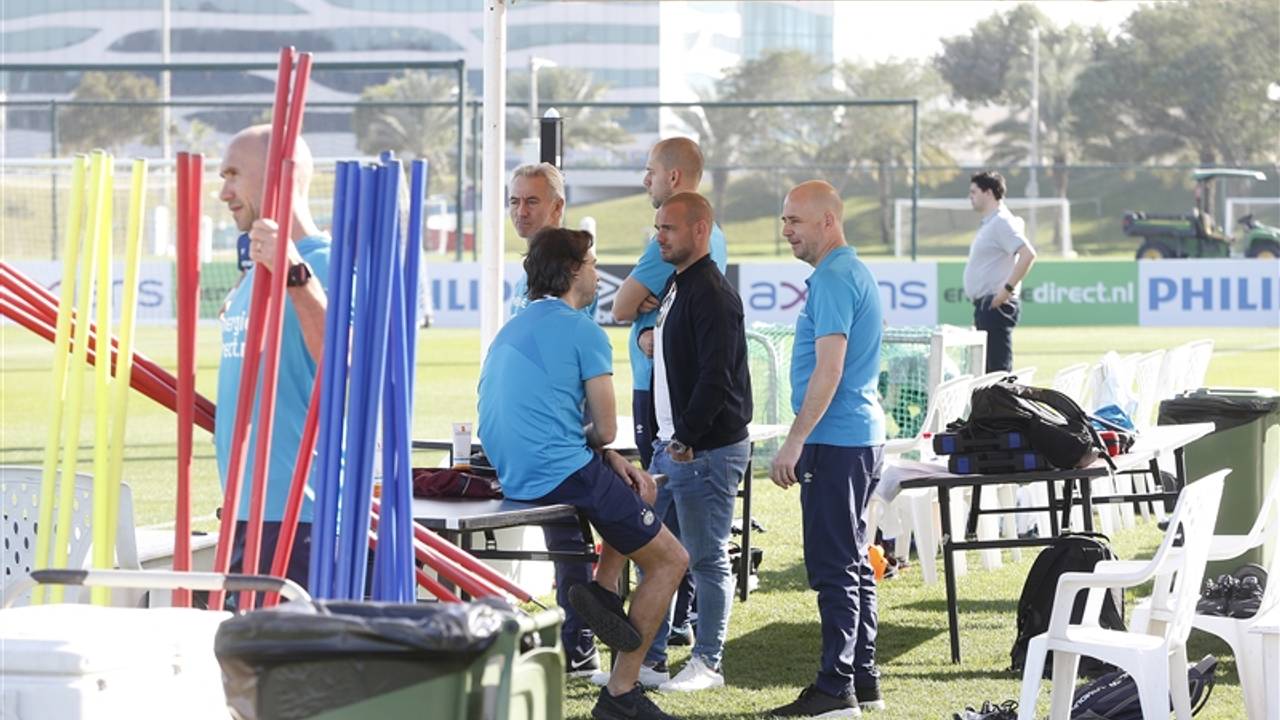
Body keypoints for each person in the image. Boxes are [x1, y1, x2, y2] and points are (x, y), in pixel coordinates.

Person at [478, 227, 689, 720]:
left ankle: (602, 586)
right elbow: (608, 425)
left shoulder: (515, 323)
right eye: (593, 262)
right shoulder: (582, 330)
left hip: (516, 471)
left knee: (635, 486)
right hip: (558, 469)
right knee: (670, 561)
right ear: (574, 270)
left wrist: (607, 457)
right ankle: (621, 692)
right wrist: (606, 451)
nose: (598, 272)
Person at [769, 181, 886, 717]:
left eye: (795, 220)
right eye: (784, 220)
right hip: (855, 438)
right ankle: (863, 681)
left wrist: (795, 440)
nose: (786, 230)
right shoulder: (848, 272)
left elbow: (830, 368)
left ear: (828, 222)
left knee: (835, 566)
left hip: (836, 440)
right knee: (854, 561)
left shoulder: (836, 277)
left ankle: (834, 689)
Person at [612, 137, 727, 653]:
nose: (645, 180)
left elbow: (620, 305)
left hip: (673, 413)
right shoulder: (693, 250)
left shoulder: (690, 255)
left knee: (677, 540)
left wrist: (643, 316)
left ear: (675, 178)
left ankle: (693, 652)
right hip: (668, 409)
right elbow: (647, 315)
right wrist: (649, 322)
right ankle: (658, 644)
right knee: (668, 534)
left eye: (650, 170)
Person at [644, 192, 752, 692]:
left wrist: (684, 438)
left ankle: (708, 663)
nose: (659, 235)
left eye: (669, 227)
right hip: (673, 447)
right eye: (658, 227)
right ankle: (650, 659)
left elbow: (717, 378)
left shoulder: (712, 293)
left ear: (700, 231)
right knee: (655, 554)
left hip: (702, 450)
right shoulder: (677, 284)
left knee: (707, 559)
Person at [215, 125, 329, 590]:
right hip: (246, 509)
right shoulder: (251, 276)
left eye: (233, 175)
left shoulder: (325, 263)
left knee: (286, 663)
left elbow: (349, 372)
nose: (222, 192)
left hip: (300, 516)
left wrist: (293, 276)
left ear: (276, 178)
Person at [504, 162, 602, 678]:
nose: (522, 211)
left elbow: (580, 368)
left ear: (558, 207)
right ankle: (565, 636)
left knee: (570, 540)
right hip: (532, 432)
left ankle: (579, 642)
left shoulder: (575, 277)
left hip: (565, 440)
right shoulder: (526, 274)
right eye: (515, 201)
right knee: (561, 538)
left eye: (532, 202)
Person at [964, 170, 1037, 373]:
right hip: (986, 306)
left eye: (974, 192)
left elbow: (1027, 254)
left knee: (997, 375)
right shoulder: (991, 223)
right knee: (987, 374)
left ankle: (1003, 406)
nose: (970, 197)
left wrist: (1005, 291)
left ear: (988, 192)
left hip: (995, 305)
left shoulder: (1002, 222)